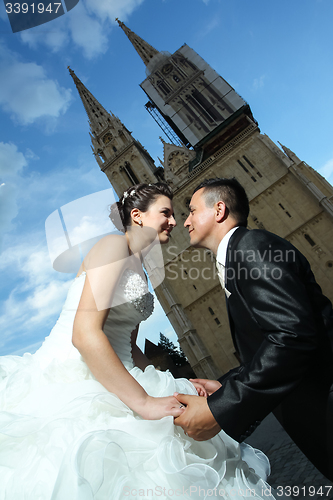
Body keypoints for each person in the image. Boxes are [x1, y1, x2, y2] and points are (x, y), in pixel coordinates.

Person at [0, 182, 275, 499]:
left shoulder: (140, 267)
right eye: (166, 213)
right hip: (75, 374)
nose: (175, 221)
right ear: (137, 216)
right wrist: (144, 402)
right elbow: (85, 333)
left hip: (120, 371)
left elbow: (131, 348)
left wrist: (176, 383)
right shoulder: (112, 245)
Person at [174, 177, 333, 481]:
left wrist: (222, 407)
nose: (185, 222)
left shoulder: (251, 247)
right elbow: (271, 343)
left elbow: (293, 338)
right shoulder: (238, 257)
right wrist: (225, 384)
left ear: (219, 210)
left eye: (192, 211)